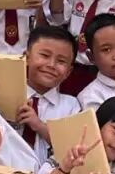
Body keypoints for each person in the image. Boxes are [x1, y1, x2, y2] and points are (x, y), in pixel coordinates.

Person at [15, 25, 80, 160]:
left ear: (68, 72)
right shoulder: (6, 93)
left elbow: (72, 149)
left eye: (61, 61)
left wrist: (39, 126)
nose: (51, 65)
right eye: (44, 55)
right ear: (26, 58)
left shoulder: (71, 106)